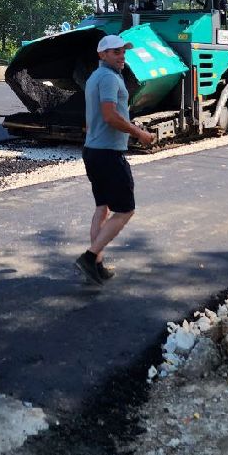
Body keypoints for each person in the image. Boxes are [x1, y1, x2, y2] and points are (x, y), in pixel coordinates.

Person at [75, 34, 155, 285]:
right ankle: (89, 258)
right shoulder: (108, 78)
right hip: (108, 154)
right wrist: (139, 133)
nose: (121, 56)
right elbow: (110, 116)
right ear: (102, 55)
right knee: (125, 210)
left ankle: (96, 265)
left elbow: (94, 118)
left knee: (103, 208)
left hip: (94, 150)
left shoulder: (95, 77)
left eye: (123, 52)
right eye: (115, 52)